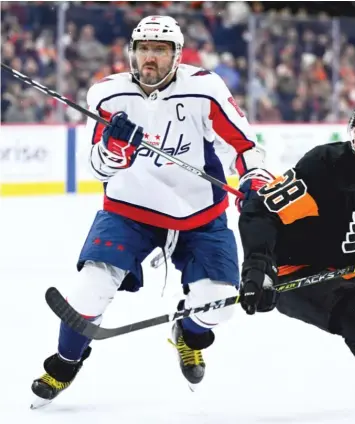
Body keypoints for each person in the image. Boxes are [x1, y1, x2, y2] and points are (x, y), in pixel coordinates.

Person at [31, 15, 266, 407]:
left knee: (221, 304)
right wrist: (114, 150)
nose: (150, 58)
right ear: (131, 53)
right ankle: (64, 364)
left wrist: (252, 180)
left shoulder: (205, 89)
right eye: (143, 49)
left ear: (177, 55)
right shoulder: (107, 95)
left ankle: (187, 333)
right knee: (89, 292)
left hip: (199, 213)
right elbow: (97, 166)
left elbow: (241, 145)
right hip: (130, 210)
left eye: (160, 50)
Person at [237, 94, 355, 422]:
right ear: (352, 130)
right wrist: (258, 268)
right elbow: (260, 212)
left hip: (352, 261)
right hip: (294, 270)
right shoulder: (324, 167)